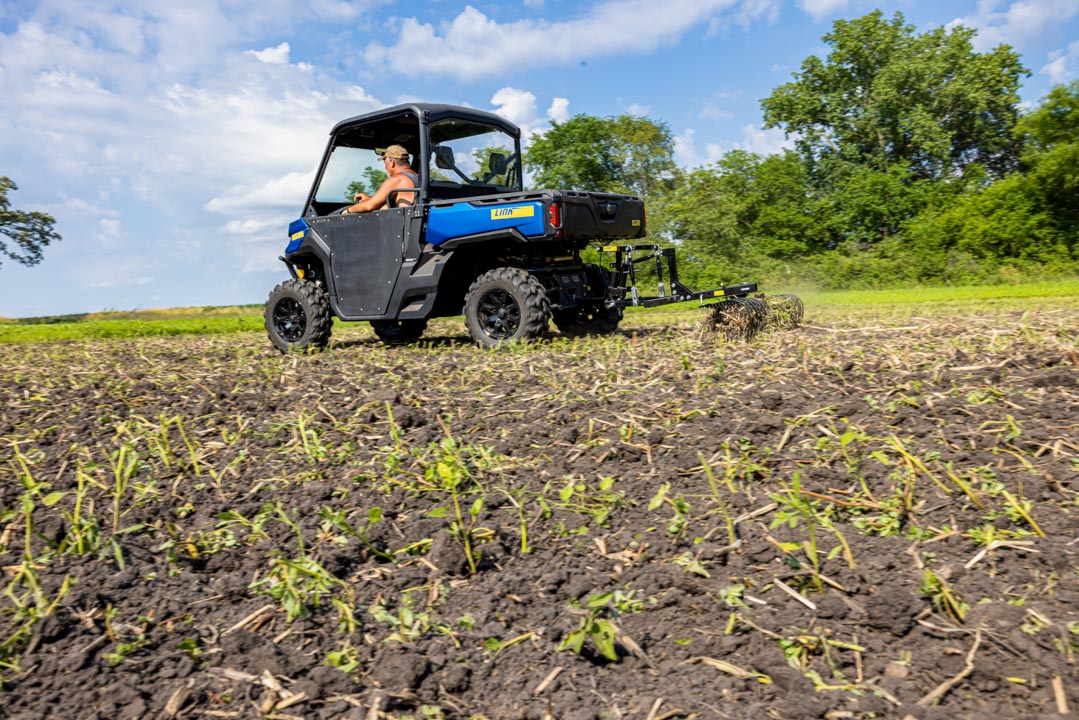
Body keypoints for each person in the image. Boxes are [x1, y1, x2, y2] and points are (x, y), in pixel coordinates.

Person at [341, 145, 419, 214]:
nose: (385, 167)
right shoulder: (417, 178)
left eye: (385, 163)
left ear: (392, 162)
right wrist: (368, 199)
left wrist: (347, 211)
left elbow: (369, 206)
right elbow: (386, 206)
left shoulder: (397, 179)